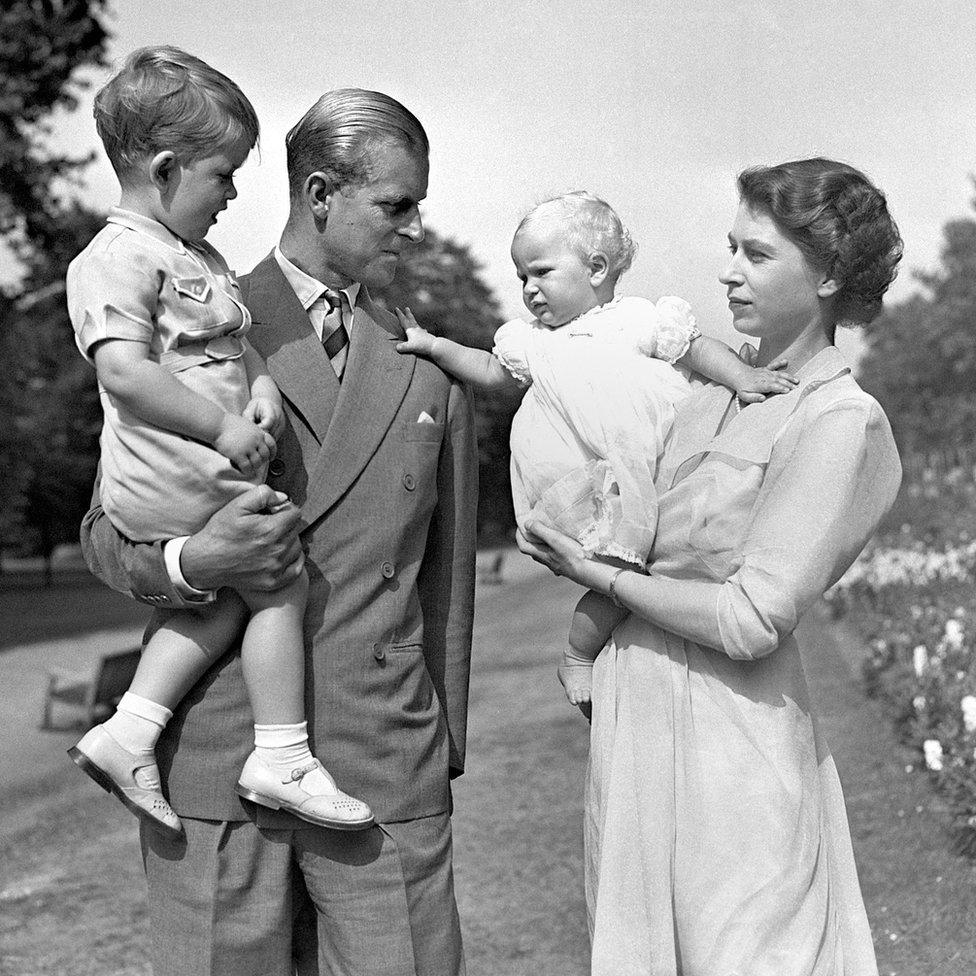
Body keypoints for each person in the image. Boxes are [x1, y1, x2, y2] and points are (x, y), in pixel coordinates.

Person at [80, 87, 477, 976]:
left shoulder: (429, 364)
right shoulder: (183, 309)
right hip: (218, 761)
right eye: (396, 204)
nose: (414, 227)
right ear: (321, 193)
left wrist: (435, 747)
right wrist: (193, 561)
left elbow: (448, 580)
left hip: (382, 766)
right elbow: (107, 527)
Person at [517, 158, 903, 975]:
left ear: (830, 273)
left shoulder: (839, 418)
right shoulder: (700, 398)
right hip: (634, 720)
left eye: (756, 255)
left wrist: (600, 578)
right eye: (730, 246)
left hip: (737, 740)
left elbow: (749, 619)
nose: (726, 271)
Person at [66, 47, 372, 842]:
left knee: (239, 591)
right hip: (167, 477)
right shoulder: (114, 258)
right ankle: (282, 754)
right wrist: (226, 427)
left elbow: (235, 348)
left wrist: (263, 386)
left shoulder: (196, 258)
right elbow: (127, 376)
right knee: (277, 578)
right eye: (223, 175)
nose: (233, 195)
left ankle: (129, 730)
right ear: (166, 169)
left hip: (200, 472)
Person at [397, 190, 796, 708]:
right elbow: (491, 372)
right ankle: (578, 657)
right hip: (582, 483)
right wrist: (435, 346)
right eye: (522, 278)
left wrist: (742, 376)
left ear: (597, 267)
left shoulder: (638, 320)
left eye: (541, 272)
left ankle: (613, 656)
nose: (530, 289)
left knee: (653, 569)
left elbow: (696, 349)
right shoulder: (532, 340)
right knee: (619, 572)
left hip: (647, 472)